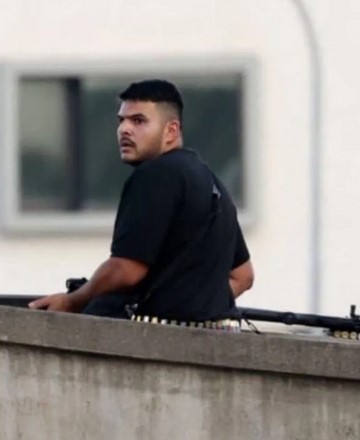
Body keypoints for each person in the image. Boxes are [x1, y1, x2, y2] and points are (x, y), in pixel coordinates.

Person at [28, 79, 254, 330]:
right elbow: (242, 276)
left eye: (138, 121)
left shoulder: (156, 175)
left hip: (161, 343)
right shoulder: (211, 181)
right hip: (224, 338)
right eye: (121, 121)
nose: (124, 129)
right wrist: (198, 309)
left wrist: (73, 301)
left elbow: (127, 269)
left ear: (171, 130)